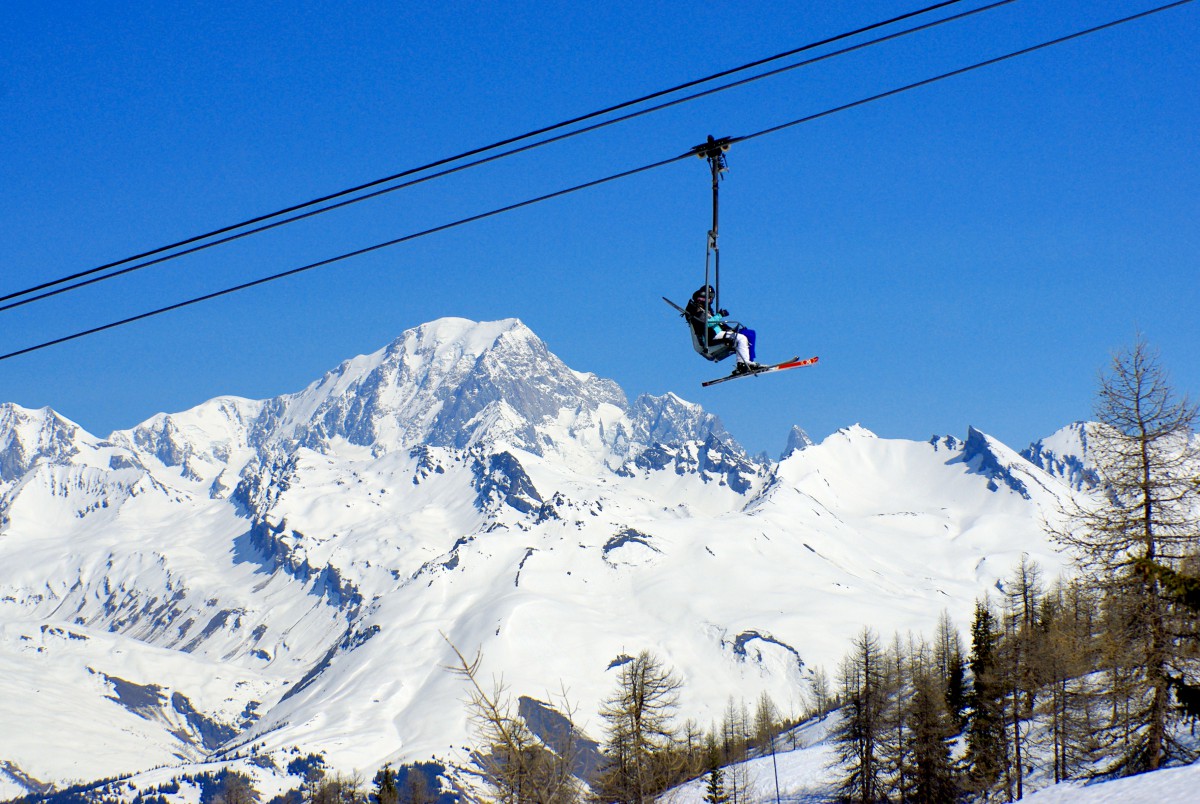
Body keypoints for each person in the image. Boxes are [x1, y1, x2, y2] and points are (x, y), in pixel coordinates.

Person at [685, 285, 759, 375]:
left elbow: (718, 324)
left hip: (717, 333)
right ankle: (742, 364)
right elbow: (707, 323)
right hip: (711, 337)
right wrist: (720, 315)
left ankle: (749, 362)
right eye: (710, 297)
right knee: (741, 338)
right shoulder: (696, 310)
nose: (710, 300)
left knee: (749, 334)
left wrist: (731, 329)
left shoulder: (706, 310)